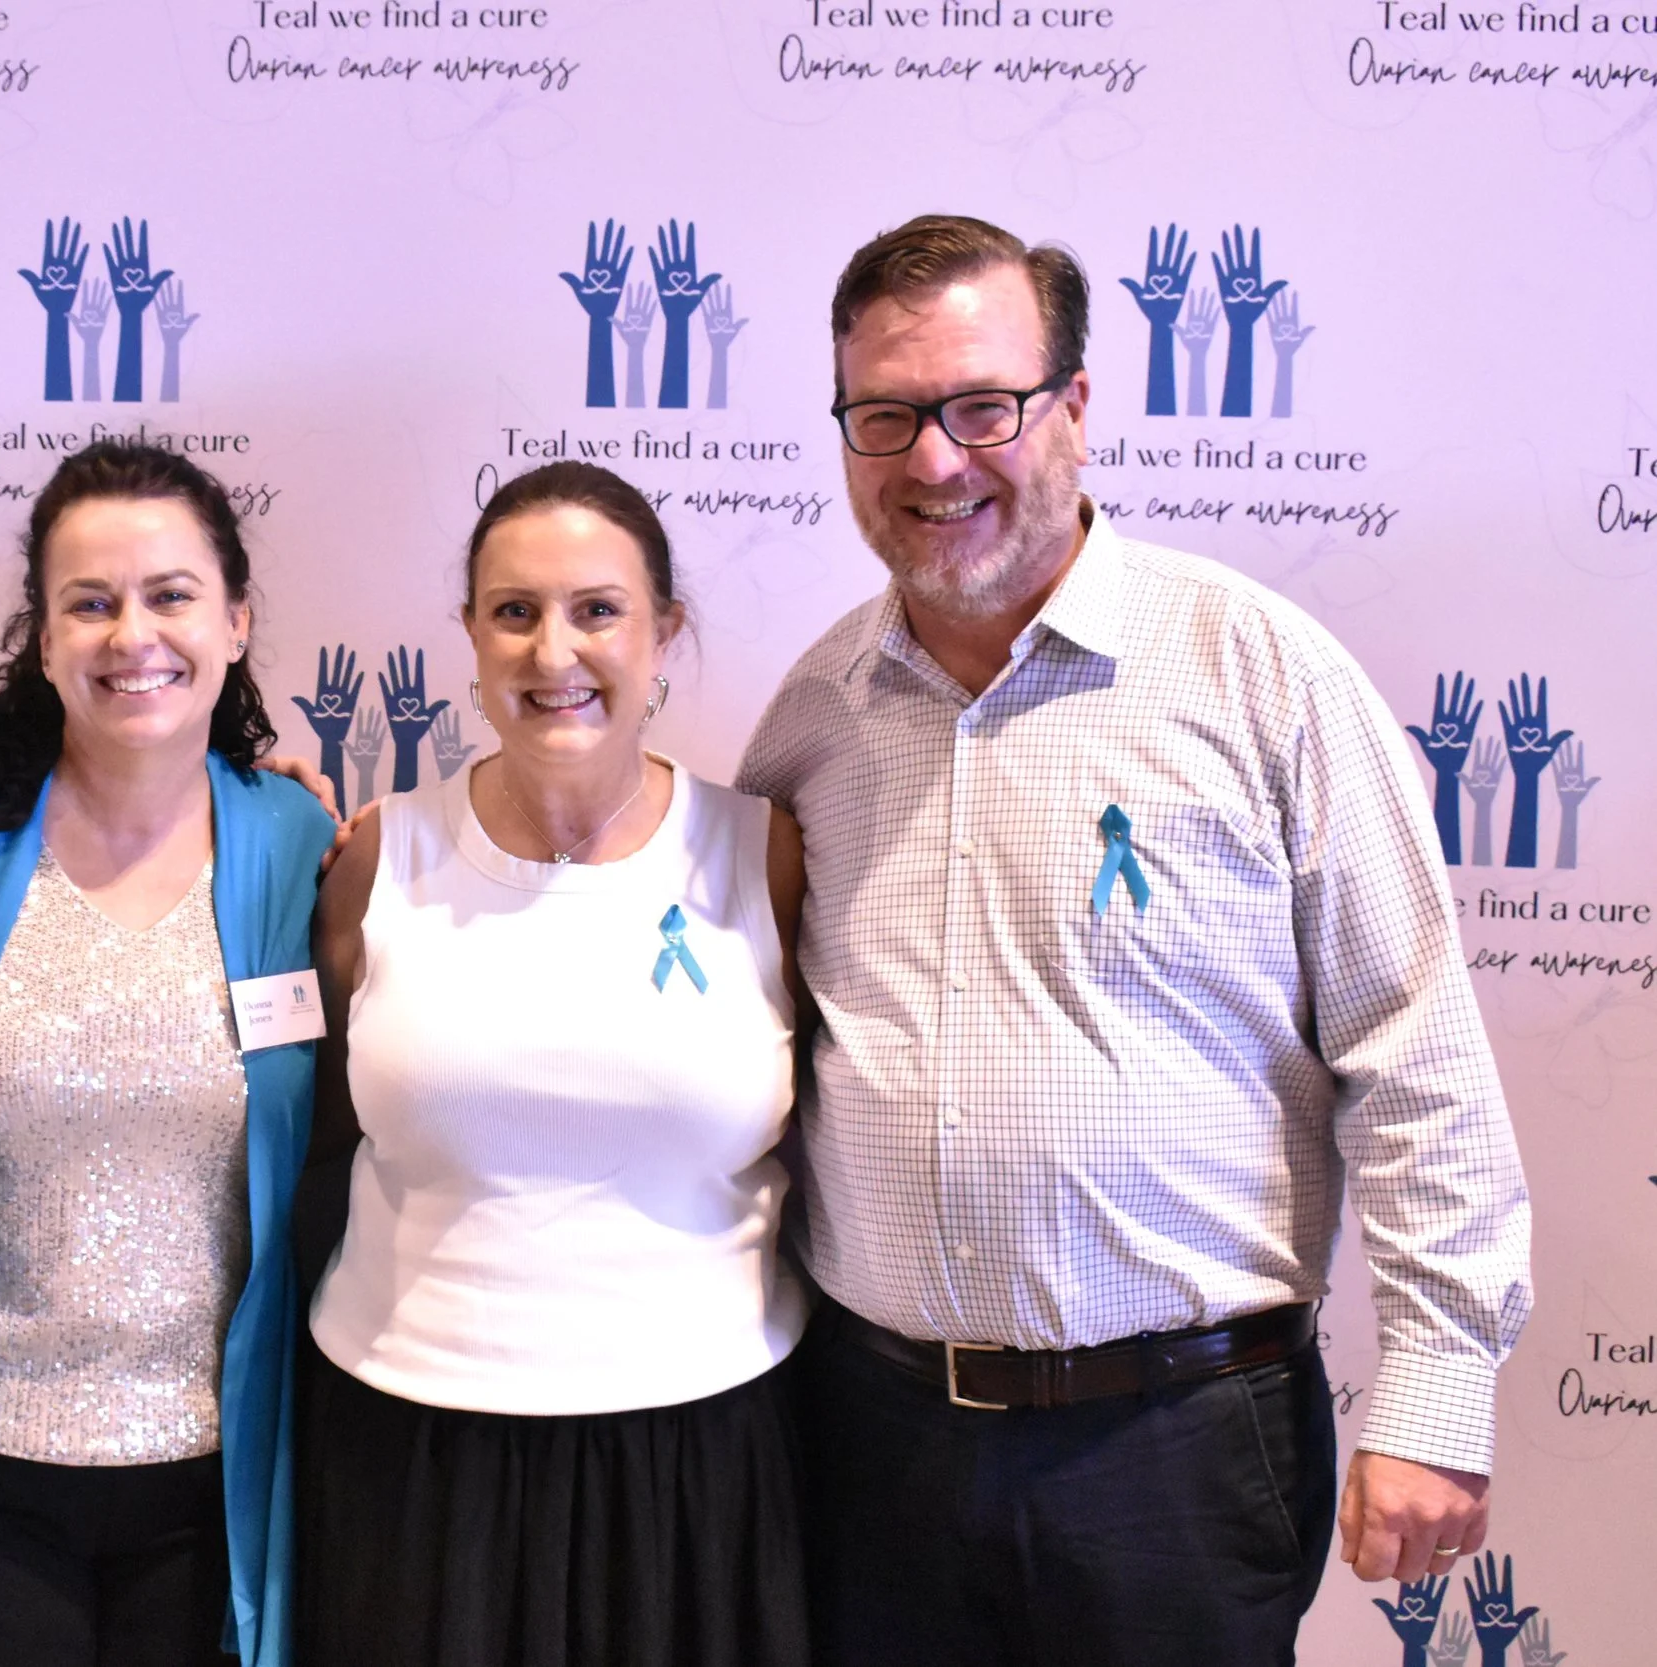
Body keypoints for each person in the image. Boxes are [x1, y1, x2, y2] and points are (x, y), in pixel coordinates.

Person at [736, 214, 1532, 1664]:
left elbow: (1415, 1051)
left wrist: (1433, 1396)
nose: (932, 460)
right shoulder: (814, 718)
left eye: (984, 406)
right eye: (885, 415)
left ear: (1078, 408)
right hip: (870, 1446)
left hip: (1176, 1452)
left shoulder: (1257, 671)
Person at [297, 461, 811, 1667]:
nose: (552, 651)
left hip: (702, 1458)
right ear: (470, 638)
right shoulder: (380, 854)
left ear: (664, 632)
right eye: (513, 611)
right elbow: (304, 1128)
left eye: (597, 609)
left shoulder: (766, 854)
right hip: (411, 1449)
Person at [0, 442, 333, 1667]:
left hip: (215, 1489)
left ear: (235, 620)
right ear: (42, 636)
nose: (134, 634)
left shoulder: (296, 839)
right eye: (91, 601)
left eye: (170, 594)